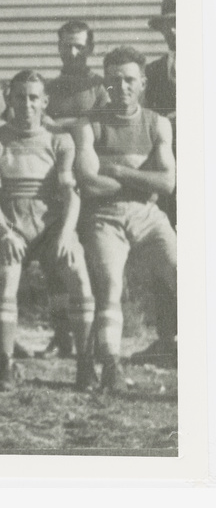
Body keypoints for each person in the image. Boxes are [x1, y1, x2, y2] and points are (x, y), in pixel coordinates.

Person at [0, 71, 95, 391]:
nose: (27, 104)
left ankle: (85, 364)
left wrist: (65, 233)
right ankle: (5, 363)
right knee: (6, 282)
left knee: (78, 272)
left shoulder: (60, 139)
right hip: (12, 227)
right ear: (9, 99)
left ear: (45, 101)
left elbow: (71, 194)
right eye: (20, 97)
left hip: (51, 227)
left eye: (34, 98)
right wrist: (3, 231)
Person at [73, 47, 177, 387]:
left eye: (130, 80)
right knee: (109, 284)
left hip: (148, 214)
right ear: (105, 84)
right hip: (104, 216)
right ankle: (111, 363)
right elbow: (88, 184)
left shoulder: (157, 123)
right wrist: (139, 179)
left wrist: (116, 169)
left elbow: (167, 183)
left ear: (143, 83)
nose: (122, 87)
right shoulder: (89, 126)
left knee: (182, 272)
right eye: (114, 81)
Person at [39, 20, 109, 359]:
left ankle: (92, 334)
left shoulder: (100, 87)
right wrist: (74, 125)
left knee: (92, 258)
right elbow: (40, 126)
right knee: (56, 259)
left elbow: (100, 126)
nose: (72, 52)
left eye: (79, 45)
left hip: (90, 182)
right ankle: (61, 334)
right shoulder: (49, 88)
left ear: (91, 48)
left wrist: (62, 126)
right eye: (66, 45)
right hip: (57, 181)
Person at [144, 0, 177, 230]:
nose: (173, 31)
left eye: (179, 23)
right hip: (167, 161)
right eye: (168, 25)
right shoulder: (153, 71)